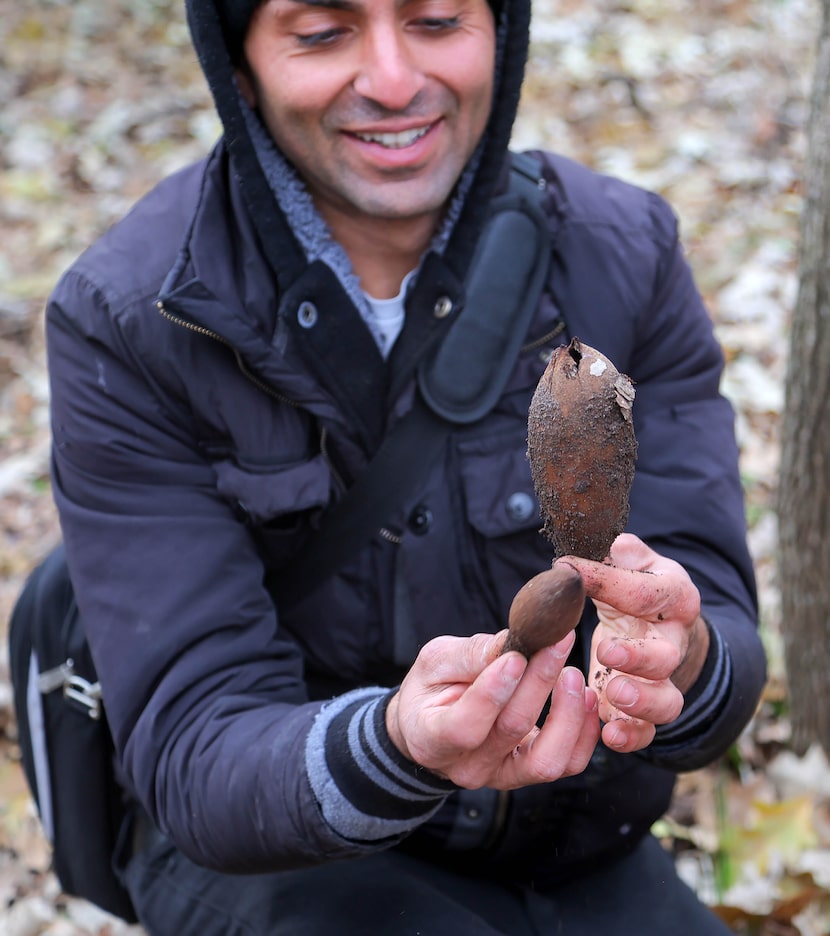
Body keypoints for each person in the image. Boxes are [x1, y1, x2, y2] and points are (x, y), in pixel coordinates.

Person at [32, 0, 766, 931]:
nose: (389, 79)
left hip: (580, 848)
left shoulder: (623, 253)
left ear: (500, 31)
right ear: (240, 62)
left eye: (434, 18)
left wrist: (685, 657)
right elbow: (193, 748)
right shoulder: (134, 317)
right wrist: (398, 744)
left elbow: (726, 648)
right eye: (321, 32)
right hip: (287, 861)